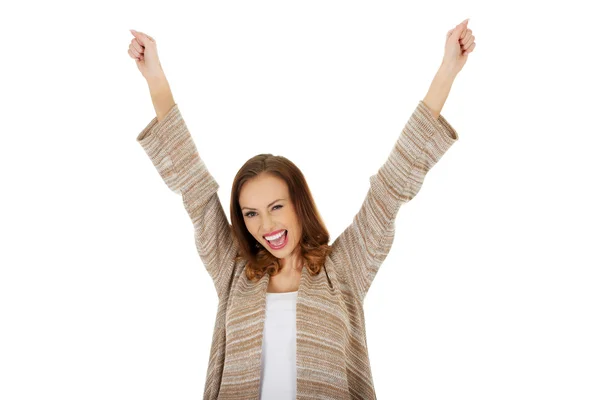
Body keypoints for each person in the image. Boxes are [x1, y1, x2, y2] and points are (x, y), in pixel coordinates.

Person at [128, 19, 475, 400]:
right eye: (251, 213)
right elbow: (193, 186)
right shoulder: (233, 272)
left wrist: (447, 71)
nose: (267, 224)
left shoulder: (343, 269)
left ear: (299, 204)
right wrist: (155, 79)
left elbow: (389, 190)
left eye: (276, 206)